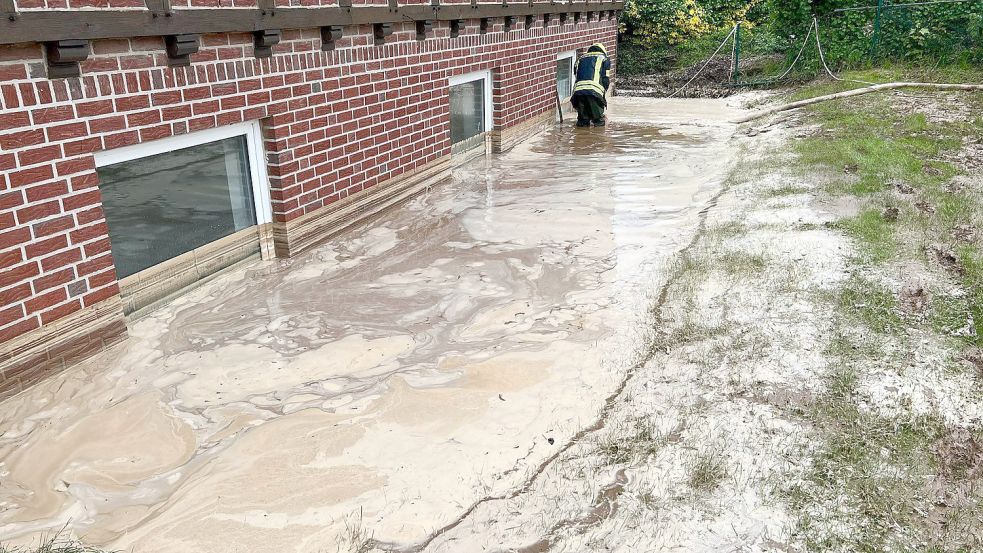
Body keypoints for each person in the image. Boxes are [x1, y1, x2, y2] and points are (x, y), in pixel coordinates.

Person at [571, 43, 611, 128]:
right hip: (594, 93)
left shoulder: (579, 59)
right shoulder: (604, 59)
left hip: (578, 93)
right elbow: (605, 79)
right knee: (598, 121)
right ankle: (597, 139)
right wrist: (603, 94)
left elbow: (576, 74)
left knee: (582, 121)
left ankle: (580, 138)